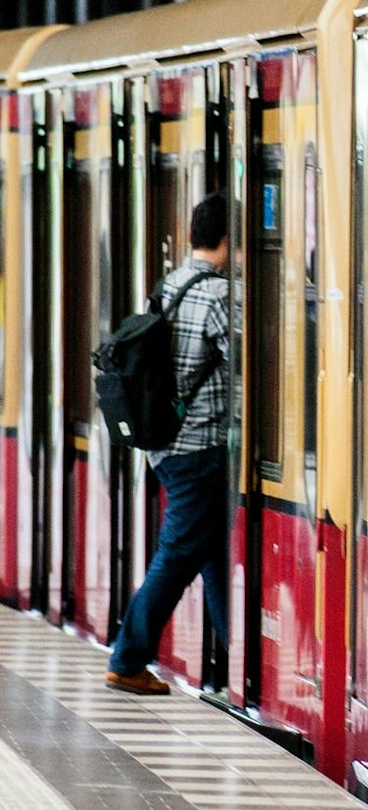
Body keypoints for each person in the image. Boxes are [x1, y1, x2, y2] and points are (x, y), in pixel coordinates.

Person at [105, 195, 231, 695]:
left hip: (166, 443)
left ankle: (238, 659)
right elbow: (250, 362)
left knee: (210, 550)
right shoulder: (221, 295)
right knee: (179, 552)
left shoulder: (169, 285)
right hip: (199, 446)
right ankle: (128, 657)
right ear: (228, 240)